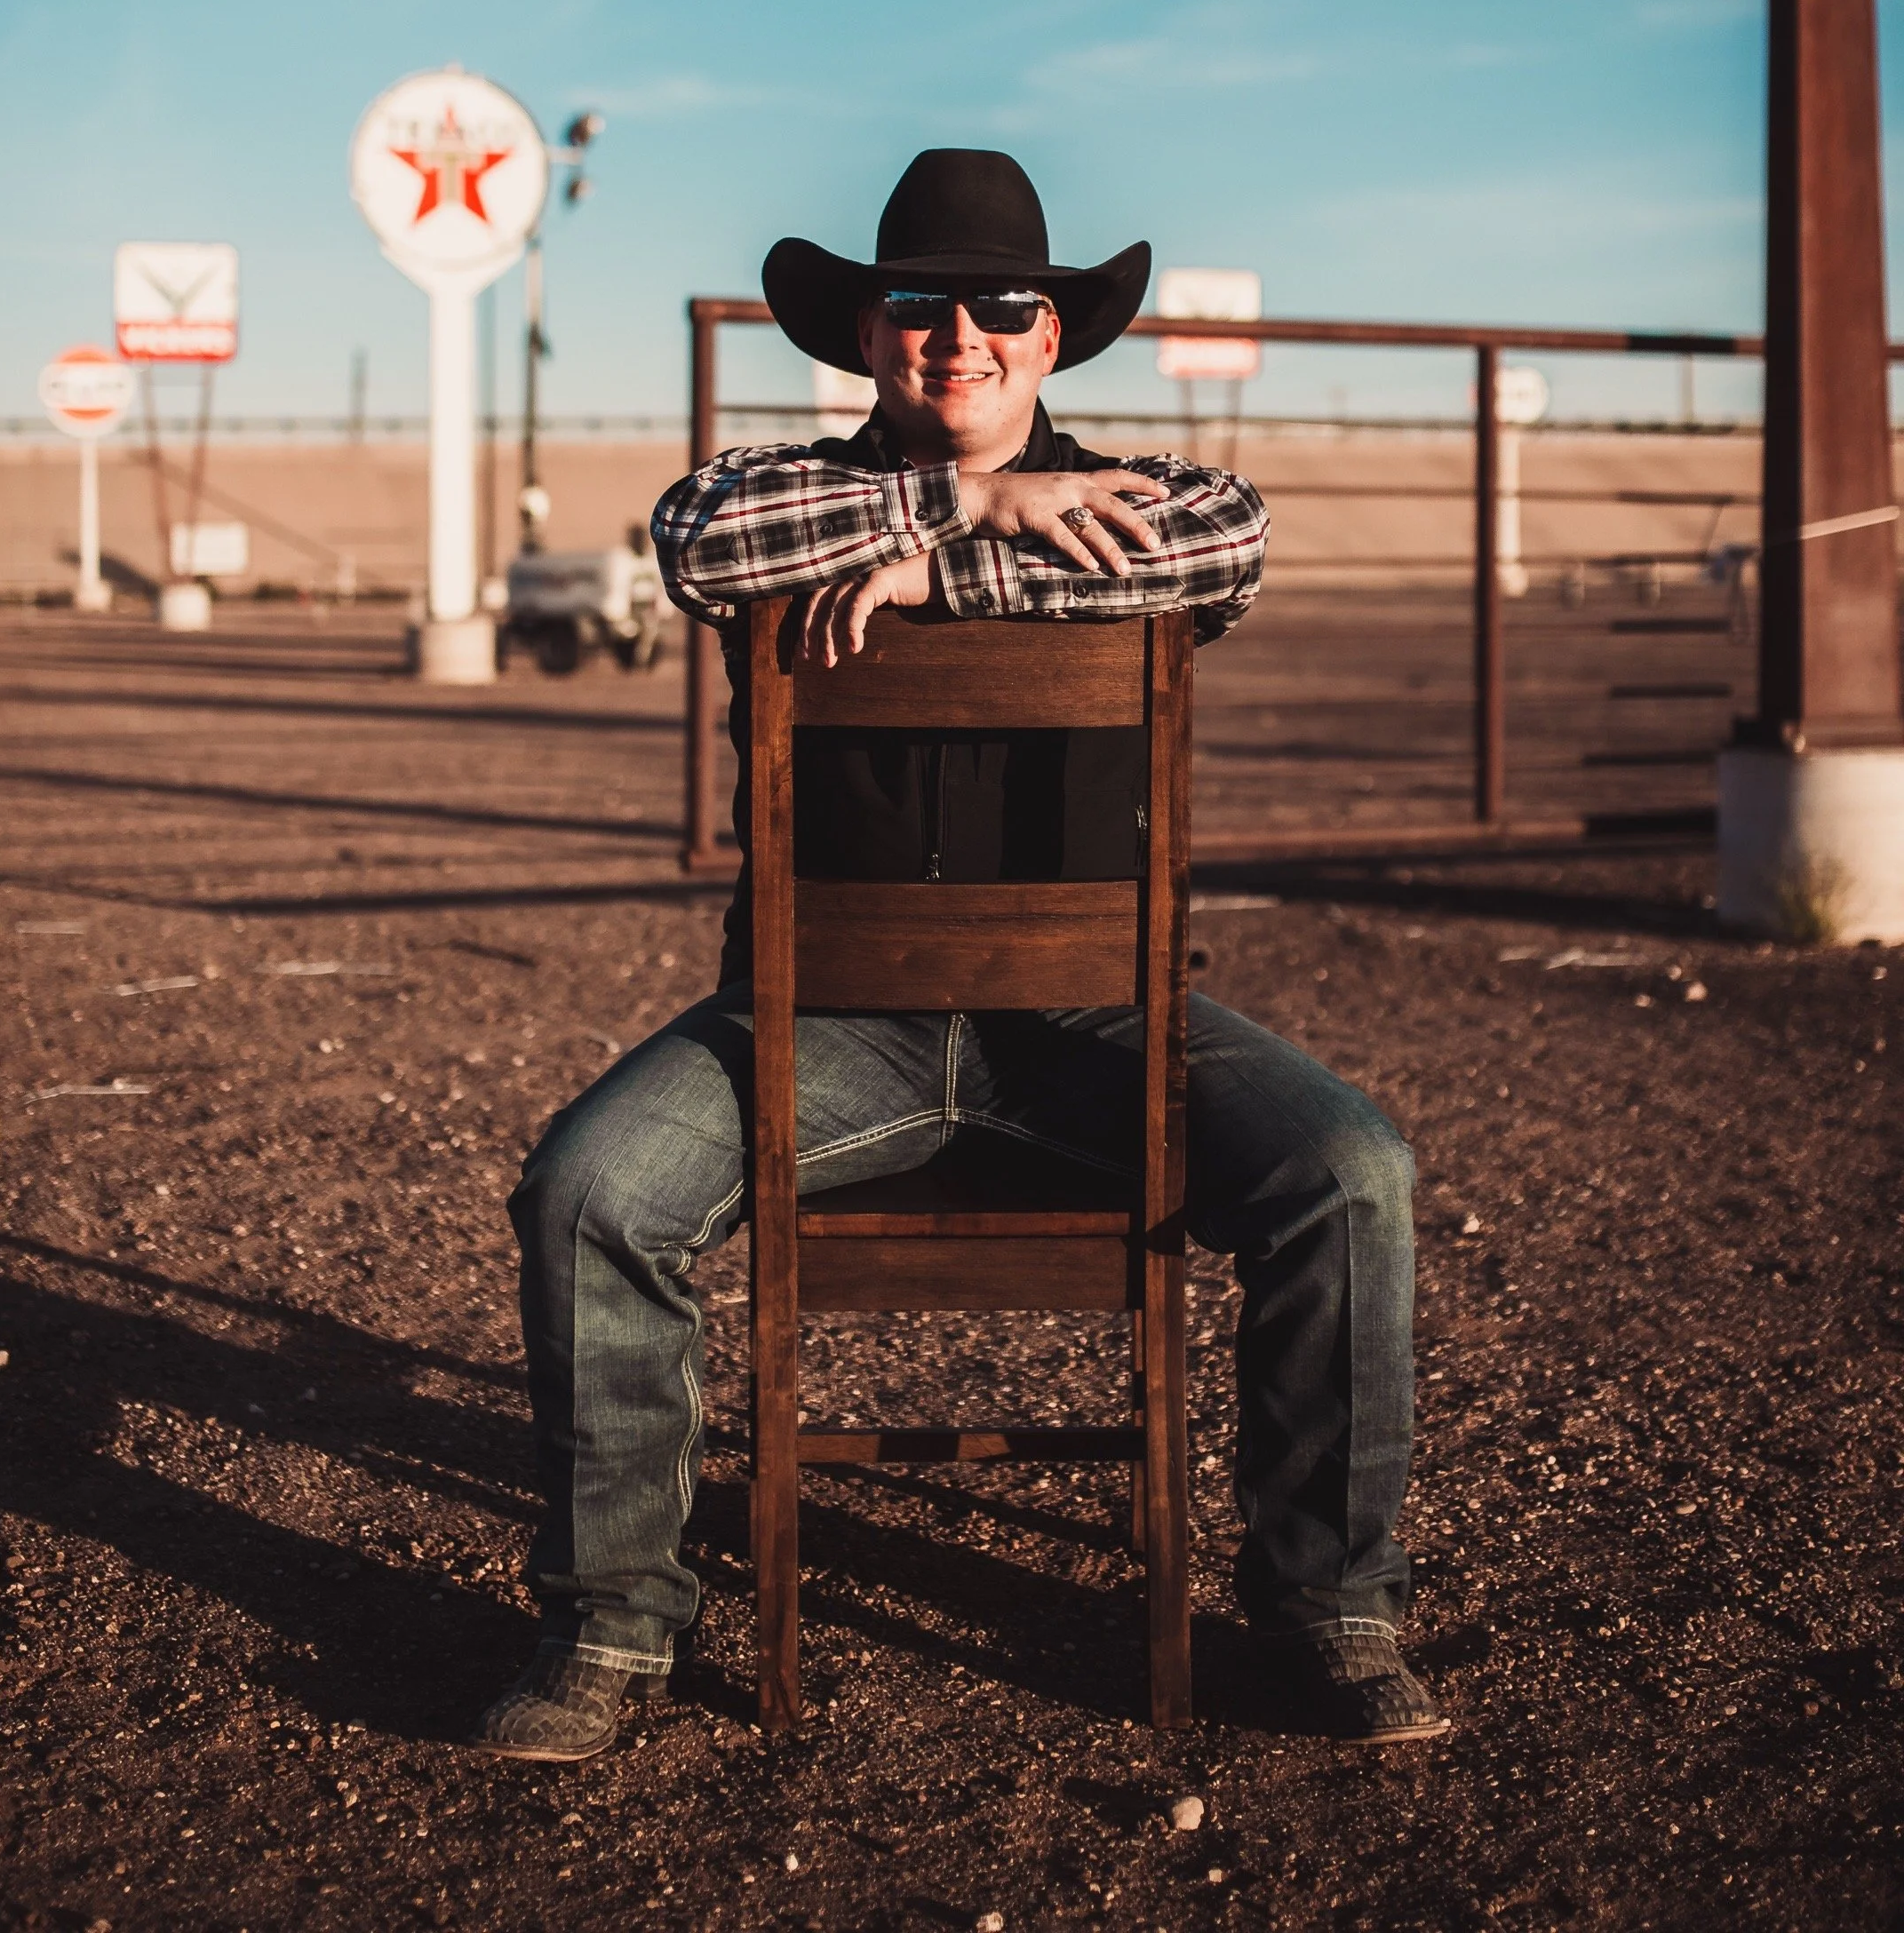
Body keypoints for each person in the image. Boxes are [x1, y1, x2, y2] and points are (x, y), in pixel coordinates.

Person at [479, 150, 1446, 1758]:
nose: (963, 336)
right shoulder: (779, 495)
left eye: (1007, 305)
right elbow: (696, 536)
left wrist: (944, 568)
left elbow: (1232, 541)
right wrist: (966, 498)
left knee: (1355, 1173)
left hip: (1095, 1017)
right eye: (921, 305)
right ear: (869, 332)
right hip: (820, 1011)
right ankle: (613, 1626)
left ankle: (1332, 1613)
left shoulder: (1139, 498)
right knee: (590, 1192)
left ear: (1055, 336)